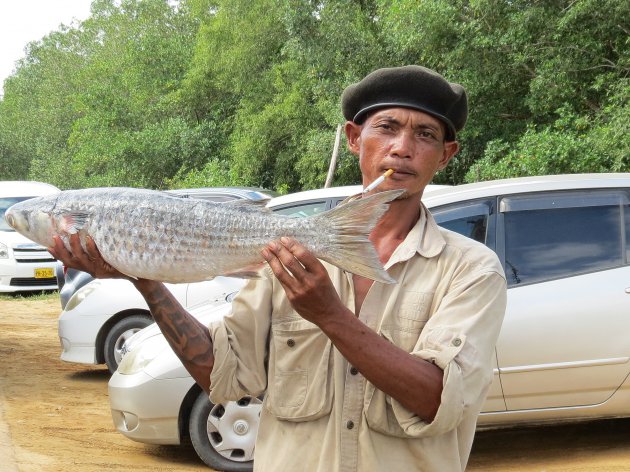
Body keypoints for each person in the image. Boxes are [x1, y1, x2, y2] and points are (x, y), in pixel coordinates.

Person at [50, 65, 507, 471]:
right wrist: (144, 276)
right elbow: (222, 378)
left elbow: (439, 400)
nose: (402, 148)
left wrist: (329, 315)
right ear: (353, 138)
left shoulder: (471, 269)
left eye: (425, 134)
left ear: (446, 155)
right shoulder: (283, 257)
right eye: (386, 127)